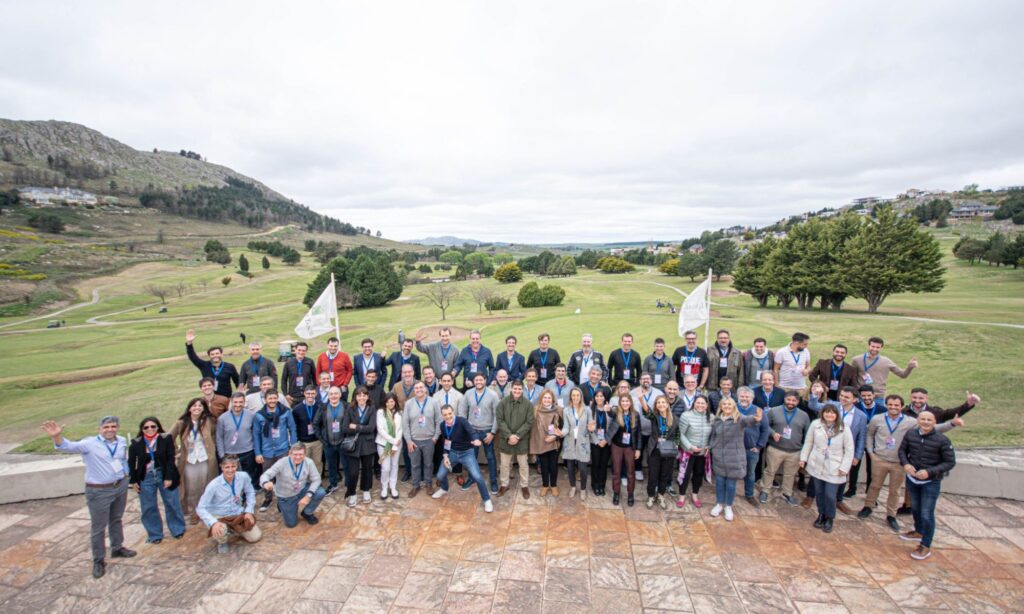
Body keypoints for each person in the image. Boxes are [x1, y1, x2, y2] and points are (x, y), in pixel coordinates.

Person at [42, 417, 137, 578]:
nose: (110, 429)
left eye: (113, 426)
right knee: (98, 527)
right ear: (100, 428)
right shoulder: (89, 444)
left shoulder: (120, 441)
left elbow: (121, 460)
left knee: (116, 519)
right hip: (99, 491)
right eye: (106, 427)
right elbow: (66, 446)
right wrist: (56, 436)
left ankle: (117, 547)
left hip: (119, 486)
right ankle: (98, 560)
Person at [859, 395, 961, 532]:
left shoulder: (910, 422)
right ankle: (868, 506)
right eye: (890, 405)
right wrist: (871, 453)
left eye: (896, 405)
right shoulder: (877, 419)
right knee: (874, 485)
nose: (893, 407)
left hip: (899, 462)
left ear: (901, 406)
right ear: (886, 405)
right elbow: (869, 434)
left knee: (894, 490)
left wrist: (952, 424)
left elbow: (932, 427)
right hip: (880, 459)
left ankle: (891, 515)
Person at [898, 410, 957, 560]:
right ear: (918, 420)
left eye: (929, 420)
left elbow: (950, 462)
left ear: (934, 422)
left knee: (926, 513)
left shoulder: (942, 440)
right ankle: (919, 531)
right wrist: (906, 464)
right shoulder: (911, 434)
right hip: (913, 479)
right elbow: (902, 451)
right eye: (922, 419)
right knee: (916, 508)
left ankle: (925, 545)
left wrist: (930, 472)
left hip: (930, 482)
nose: (925, 422)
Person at [808, 387, 867, 515]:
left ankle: (838, 500)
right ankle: (815, 499)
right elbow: (813, 405)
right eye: (842, 395)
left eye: (847, 397)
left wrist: (857, 456)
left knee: (841, 477)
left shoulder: (861, 416)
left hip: (846, 453)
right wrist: (815, 395)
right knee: (819, 476)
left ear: (855, 400)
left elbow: (861, 437)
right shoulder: (832, 405)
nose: (843, 398)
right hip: (825, 450)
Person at [128, 416, 185, 544]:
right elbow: (131, 463)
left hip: (163, 474)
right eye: (146, 427)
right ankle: (155, 534)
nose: (150, 429)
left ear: (158, 427)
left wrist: (169, 477)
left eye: (153, 426)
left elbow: (171, 459)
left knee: (172, 503)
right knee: (148, 507)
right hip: (146, 477)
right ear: (142, 430)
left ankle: (177, 530)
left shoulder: (166, 439)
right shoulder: (136, 443)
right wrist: (133, 481)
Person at [800, 404, 854, 533]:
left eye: (832, 413)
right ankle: (821, 514)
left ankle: (830, 517)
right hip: (817, 463)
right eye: (827, 412)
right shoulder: (815, 424)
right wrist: (803, 458)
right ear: (822, 413)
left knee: (830, 495)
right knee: (819, 492)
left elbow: (849, 450)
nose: (829, 415)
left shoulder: (844, 429)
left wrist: (845, 468)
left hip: (835, 466)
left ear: (837, 415)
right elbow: (808, 442)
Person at [707, 398, 763, 521]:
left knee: (731, 483)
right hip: (719, 456)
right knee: (720, 481)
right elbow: (713, 436)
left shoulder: (739, 419)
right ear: (721, 406)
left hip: (734, 457)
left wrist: (756, 418)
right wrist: (711, 448)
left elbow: (748, 420)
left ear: (733, 406)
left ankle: (728, 506)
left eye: (729, 404)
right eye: (724, 404)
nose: (727, 406)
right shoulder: (717, 420)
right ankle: (719, 504)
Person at [432, 404, 494, 512]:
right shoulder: (443, 425)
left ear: (453, 412)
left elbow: (472, 431)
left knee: (477, 477)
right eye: (445, 415)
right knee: (440, 475)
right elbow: (446, 442)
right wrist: (446, 456)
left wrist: (475, 440)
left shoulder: (462, 421)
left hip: (467, 453)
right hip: (452, 453)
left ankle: (487, 500)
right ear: (442, 415)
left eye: (450, 413)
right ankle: (444, 488)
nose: (448, 416)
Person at [197, 455, 261, 554]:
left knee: (255, 537)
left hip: (236, 512)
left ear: (237, 466)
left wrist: (249, 511)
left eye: (233, 466)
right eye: (227, 467)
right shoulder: (213, 485)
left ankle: (233, 529)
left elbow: (250, 492)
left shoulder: (243, 476)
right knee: (220, 530)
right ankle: (222, 541)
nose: (230, 470)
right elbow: (200, 508)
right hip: (219, 515)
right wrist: (213, 522)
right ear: (221, 467)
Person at [170, 398, 219, 523]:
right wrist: (177, 451)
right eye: (194, 406)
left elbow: (215, 435)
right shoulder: (181, 422)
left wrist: (213, 447)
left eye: (200, 406)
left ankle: (205, 509)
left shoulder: (208, 421)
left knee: (205, 485)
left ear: (203, 408)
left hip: (205, 458)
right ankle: (193, 511)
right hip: (189, 460)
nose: (197, 408)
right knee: (191, 488)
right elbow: (169, 437)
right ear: (189, 408)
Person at [757, 391, 809, 506]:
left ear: (798, 402)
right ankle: (765, 490)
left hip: (795, 451)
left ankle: (787, 493)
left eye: (794, 400)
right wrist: (773, 433)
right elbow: (765, 425)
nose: (791, 402)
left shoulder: (804, 415)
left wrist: (805, 452)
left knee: (790, 474)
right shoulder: (774, 411)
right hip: (776, 448)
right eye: (788, 400)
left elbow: (807, 434)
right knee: (770, 471)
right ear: (784, 399)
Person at [252, 389, 298, 512]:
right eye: (270, 398)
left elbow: (292, 429)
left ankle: (282, 500)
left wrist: (293, 447)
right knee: (267, 476)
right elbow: (256, 435)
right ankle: (268, 498)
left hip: (282, 449)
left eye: (274, 398)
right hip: (267, 452)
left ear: (277, 399)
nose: (272, 400)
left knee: (284, 476)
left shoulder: (285, 412)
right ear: (265, 400)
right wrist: (258, 453)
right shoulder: (259, 415)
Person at [259, 443, 326, 527]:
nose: (298, 457)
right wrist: (265, 483)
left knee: (320, 492)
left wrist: (308, 496)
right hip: (286, 495)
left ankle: (307, 513)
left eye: (301, 454)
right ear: (289, 453)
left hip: (301, 489)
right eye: (295, 454)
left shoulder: (309, 462)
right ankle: (281, 504)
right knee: (291, 524)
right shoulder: (282, 462)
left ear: (305, 454)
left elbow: (316, 479)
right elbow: (265, 475)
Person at [460, 373, 500, 494]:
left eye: (481, 380)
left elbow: (497, 416)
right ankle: (471, 478)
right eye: (476, 380)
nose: (478, 382)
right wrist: (467, 430)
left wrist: (492, 433)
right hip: (473, 431)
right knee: (471, 458)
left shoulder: (493, 395)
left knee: (491, 457)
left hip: (487, 431)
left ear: (485, 380)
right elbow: (462, 412)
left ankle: (493, 482)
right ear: (474, 381)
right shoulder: (468, 393)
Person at [496, 380, 535, 498]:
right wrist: (509, 435)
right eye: (515, 389)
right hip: (505, 439)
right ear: (511, 389)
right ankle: (504, 484)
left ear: (522, 390)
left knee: (523, 465)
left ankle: (524, 486)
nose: (517, 391)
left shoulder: (528, 404)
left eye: (519, 389)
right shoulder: (503, 403)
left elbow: (529, 422)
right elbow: (500, 420)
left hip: (521, 439)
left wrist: (517, 436)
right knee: (504, 465)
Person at [403, 382, 442, 497]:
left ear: (425, 389)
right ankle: (415, 485)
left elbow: (439, 421)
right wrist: (409, 440)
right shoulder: (409, 404)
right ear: (414, 390)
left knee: (428, 464)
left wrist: (435, 438)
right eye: (416, 388)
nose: (419, 389)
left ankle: (428, 484)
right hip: (414, 441)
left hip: (429, 440)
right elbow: (405, 423)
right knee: (414, 464)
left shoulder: (433, 402)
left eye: (421, 387)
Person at [342, 386, 378, 507]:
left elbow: (372, 428)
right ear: (355, 397)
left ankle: (366, 490)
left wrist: (356, 427)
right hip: (354, 444)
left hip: (368, 444)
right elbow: (345, 428)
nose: (361, 397)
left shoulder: (372, 408)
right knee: (353, 472)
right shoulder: (349, 409)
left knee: (367, 470)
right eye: (359, 395)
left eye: (364, 395)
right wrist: (363, 428)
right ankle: (352, 494)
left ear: (367, 396)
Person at [216, 392, 260, 488]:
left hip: (248, 451)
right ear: (231, 402)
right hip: (230, 453)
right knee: (233, 476)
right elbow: (219, 437)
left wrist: (257, 452)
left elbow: (255, 434)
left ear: (244, 402)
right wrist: (222, 455)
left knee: (249, 475)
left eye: (241, 402)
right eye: (235, 402)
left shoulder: (251, 415)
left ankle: (248, 495)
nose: (238, 405)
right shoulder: (222, 418)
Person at [849, 384, 886, 496]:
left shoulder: (882, 409)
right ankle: (851, 489)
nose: (867, 398)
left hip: (874, 442)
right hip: (858, 440)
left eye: (869, 395)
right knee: (854, 465)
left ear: (874, 395)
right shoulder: (855, 407)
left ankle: (869, 491)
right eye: (863, 396)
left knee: (871, 469)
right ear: (860, 396)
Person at [736, 387, 770, 507]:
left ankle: (749, 495)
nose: (744, 399)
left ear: (752, 398)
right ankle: (729, 494)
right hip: (733, 448)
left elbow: (765, 430)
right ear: (738, 397)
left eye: (747, 397)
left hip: (750, 449)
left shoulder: (758, 411)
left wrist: (759, 446)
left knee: (750, 473)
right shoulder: (732, 408)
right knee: (731, 472)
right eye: (742, 396)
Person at [676, 395, 712, 509]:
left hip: (703, 453)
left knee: (698, 474)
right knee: (685, 475)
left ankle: (695, 495)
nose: (700, 405)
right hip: (688, 452)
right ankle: (681, 496)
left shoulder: (711, 417)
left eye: (703, 403)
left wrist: (708, 447)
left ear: (707, 405)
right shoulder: (686, 415)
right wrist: (690, 446)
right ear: (694, 403)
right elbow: (680, 434)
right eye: (698, 403)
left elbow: (714, 435)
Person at [850, 337, 918, 396]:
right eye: (873, 346)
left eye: (877, 347)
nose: (874, 349)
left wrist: (909, 367)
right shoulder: (857, 360)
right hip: (861, 395)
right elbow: (851, 377)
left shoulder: (886, 361)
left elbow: (903, 375)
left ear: (881, 348)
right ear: (868, 346)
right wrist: (856, 391)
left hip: (878, 396)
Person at [645, 396, 679, 510]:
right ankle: (650, 496)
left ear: (667, 404)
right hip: (655, 450)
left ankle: (661, 495)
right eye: (658, 402)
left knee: (665, 475)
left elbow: (677, 434)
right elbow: (647, 412)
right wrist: (641, 399)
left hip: (668, 451)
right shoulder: (654, 417)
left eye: (663, 402)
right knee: (653, 475)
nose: (661, 404)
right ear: (656, 405)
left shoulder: (674, 418)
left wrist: (676, 444)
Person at [609, 392, 641, 506]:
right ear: (619, 403)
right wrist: (608, 409)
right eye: (623, 401)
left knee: (630, 472)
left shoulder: (635, 415)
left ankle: (630, 494)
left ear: (630, 402)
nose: (625, 403)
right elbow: (609, 412)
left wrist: (638, 449)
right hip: (617, 446)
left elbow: (638, 434)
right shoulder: (616, 413)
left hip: (629, 447)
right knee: (616, 471)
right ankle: (616, 493)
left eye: (627, 401)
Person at [530, 389, 564, 496]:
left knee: (553, 465)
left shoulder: (558, 410)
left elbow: (562, 426)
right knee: (544, 466)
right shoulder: (536, 410)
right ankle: (545, 485)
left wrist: (554, 437)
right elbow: (533, 428)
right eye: (545, 398)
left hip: (554, 442)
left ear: (552, 399)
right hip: (541, 442)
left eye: (549, 398)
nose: (547, 400)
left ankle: (553, 485)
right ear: (541, 399)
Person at [186, 329, 239, 397]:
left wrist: (239, 395)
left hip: (226, 399)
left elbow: (237, 381)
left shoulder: (230, 366)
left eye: (217, 353)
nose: (215, 356)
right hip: (209, 399)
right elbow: (193, 357)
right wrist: (189, 343)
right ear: (209, 356)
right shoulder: (204, 365)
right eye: (212, 354)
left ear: (221, 354)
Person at [561, 387, 593, 500]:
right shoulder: (566, 410)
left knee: (583, 468)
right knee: (570, 467)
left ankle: (583, 489)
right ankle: (573, 487)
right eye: (573, 395)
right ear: (571, 396)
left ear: (581, 397)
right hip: (570, 441)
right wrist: (561, 433)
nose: (575, 397)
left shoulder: (587, 410)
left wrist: (591, 428)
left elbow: (590, 425)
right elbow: (566, 427)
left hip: (583, 442)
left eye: (577, 395)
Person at [317, 386, 348, 496]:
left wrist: (347, 438)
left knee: (346, 464)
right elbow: (316, 424)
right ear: (328, 396)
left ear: (340, 394)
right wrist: (322, 439)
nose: (334, 396)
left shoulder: (346, 406)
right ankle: (333, 484)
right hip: (328, 443)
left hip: (343, 442)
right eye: (331, 394)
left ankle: (349, 485)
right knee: (331, 466)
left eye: (336, 393)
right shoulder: (323, 408)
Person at [376, 393, 403, 499]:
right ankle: (384, 487)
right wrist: (392, 441)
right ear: (384, 402)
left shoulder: (399, 413)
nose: (390, 403)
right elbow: (380, 430)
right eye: (388, 401)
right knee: (385, 467)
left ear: (395, 402)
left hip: (397, 444)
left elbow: (400, 429)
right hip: (383, 444)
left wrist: (396, 445)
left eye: (392, 401)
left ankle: (393, 487)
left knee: (394, 466)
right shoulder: (380, 412)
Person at [293, 386, 323, 478]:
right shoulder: (297, 409)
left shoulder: (320, 406)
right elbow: (294, 426)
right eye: (308, 393)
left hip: (317, 441)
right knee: (304, 463)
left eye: (313, 393)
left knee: (317, 462)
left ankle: (317, 481)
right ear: (304, 394)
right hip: (303, 442)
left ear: (316, 394)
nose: (310, 395)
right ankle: (305, 482)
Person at [589, 389, 613, 497]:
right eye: (597, 396)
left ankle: (601, 486)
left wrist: (605, 440)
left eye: (601, 396)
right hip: (595, 442)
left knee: (604, 465)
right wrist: (597, 441)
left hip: (606, 441)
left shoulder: (609, 409)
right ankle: (595, 485)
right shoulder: (590, 410)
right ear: (594, 398)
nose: (599, 398)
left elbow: (613, 427)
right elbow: (589, 428)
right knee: (595, 464)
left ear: (605, 398)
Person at [280, 341, 316, 406]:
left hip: (307, 396)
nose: (301, 352)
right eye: (299, 350)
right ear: (295, 350)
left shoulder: (310, 362)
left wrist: (315, 391)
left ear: (306, 351)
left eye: (303, 350)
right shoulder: (288, 363)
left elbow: (314, 378)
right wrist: (286, 394)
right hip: (293, 397)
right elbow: (283, 380)